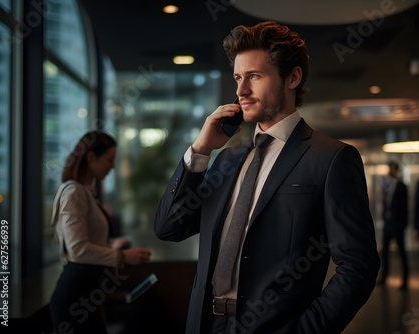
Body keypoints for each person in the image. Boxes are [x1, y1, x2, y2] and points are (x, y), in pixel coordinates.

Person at [154, 21, 379, 334]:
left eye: (254, 76)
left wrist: (305, 330)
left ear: (293, 77)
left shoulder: (332, 159)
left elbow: (359, 266)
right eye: (237, 77)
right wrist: (201, 149)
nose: (240, 90)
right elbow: (169, 227)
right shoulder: (226, 161)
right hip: (206, 324)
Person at [50, 130, 152, 333]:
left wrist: (112, 244)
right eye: (109, 160)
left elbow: (85, 241)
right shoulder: (74, 192)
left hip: (85, 290)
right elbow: (78, 250)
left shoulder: (85, 192)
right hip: (75, 294)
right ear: (90, 157)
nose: (112, 166)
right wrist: (122, 256)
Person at [378, 161, 409, 290]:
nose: (388, 172)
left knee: (401, 252)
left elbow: (405, 207)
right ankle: (384, 277)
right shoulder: (386, 186)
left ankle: (405, 280)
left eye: (390, 169)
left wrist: (403, 224)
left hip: (398, 224)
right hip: (388, 223)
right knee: (384, 252)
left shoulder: (402, 187)